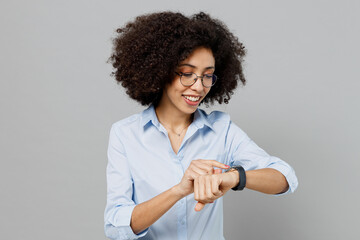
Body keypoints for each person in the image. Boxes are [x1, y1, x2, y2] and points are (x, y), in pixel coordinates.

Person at [104, 11, 298, 240]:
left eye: (207, 76)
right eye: (187, 74)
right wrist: (179, 190)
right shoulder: (125, 134)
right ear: (160, 71)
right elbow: (116, 227)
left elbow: (285, 177)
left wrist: (233, 177)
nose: (199, 87)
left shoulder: (221, 129)